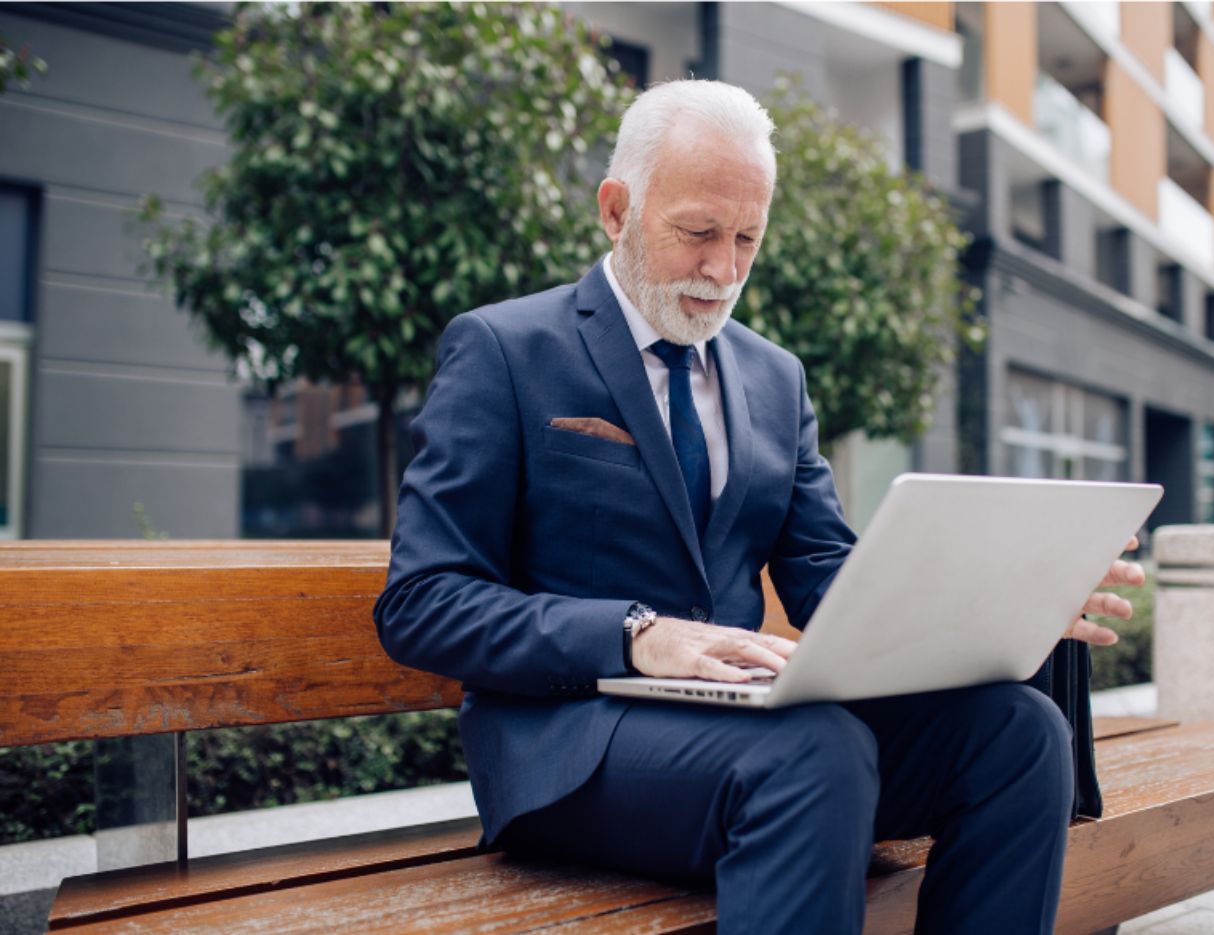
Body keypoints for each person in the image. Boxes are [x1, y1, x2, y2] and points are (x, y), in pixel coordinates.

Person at [374, 79, 1143, 934]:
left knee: (1022, 735)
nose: (724, 268)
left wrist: (1011, 592)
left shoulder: (776, 377)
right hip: (571, 747)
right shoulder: (503, 350)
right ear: (616, 209)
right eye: (698, 232)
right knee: (817, 753)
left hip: (748, 732)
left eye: (748, 237)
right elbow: (421, 601)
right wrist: (638, 634)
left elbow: (826, 577)